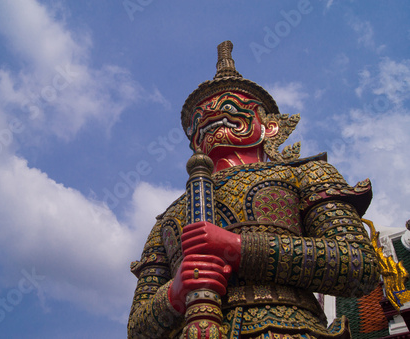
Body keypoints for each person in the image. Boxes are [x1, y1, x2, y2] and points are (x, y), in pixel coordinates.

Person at [127, 41, 379, 339]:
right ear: (193, 139)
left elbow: (358, 264)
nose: (211, 117)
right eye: (198, 120)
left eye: (230, 107)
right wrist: (175, 292)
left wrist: (238, 247)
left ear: (269, 126)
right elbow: (137, 329)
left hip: (288, 328)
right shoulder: (169, 219)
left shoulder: (305, 175)